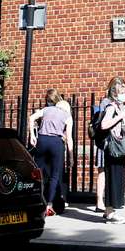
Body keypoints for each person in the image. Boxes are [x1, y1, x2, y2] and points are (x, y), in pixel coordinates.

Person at [32, 88, 72, 219]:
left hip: (42, 139)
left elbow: (31, 118)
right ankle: (49, 205)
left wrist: (32, 135)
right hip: (56, 142)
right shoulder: (67, 116)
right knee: (55, 175)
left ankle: (37, 201)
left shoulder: (46, 110)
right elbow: (69, 139)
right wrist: (70, 156)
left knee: (38, 172)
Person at [97, 77, 125, 223]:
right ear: (114, 93)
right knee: (114, 179)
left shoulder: (120, 107)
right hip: (112, 149)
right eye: (121, 92)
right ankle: (112, 213)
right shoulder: (111, 107)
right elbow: (104, 125)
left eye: (124, 92)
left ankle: (108, 211)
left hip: (117, 147)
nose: (124, 95)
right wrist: (120, 117)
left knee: (118, 179)